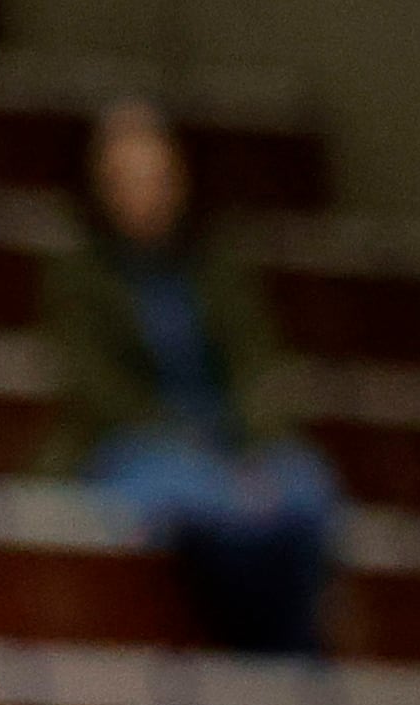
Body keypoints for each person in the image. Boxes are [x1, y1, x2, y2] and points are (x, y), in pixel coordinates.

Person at [42, 100, 340, 657]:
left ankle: (288, 658)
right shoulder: (78, 278)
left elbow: (260, 368)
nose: (143, 194)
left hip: (233, 450)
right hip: (136, 447)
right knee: (191, 500)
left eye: (155, 178)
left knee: (305, 489)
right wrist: (196, 452)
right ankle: (261, 655)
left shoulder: (219, 268)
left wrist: (247, 446)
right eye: (125, 180)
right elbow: (99, 393)